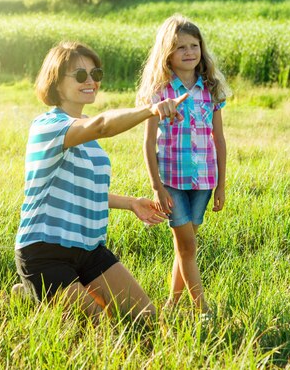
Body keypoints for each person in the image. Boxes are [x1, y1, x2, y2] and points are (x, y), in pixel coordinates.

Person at [13, 41, 188, 323]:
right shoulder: (48, 127)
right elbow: (103, 124)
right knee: (95, 327)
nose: (91, 81)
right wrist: (151, 110)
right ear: (56, 82)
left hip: (89, 249)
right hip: (45, 251)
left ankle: (32, 293)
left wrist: (130, 203)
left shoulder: (88, 136)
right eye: (80, 75)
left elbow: (86, 190)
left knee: (145, 319)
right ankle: (33, 291)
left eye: (96, 74)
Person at [136, 14, 230, 317]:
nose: (189, 52)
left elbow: (219, 140)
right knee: (188, 247)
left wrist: (221, 185)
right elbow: (148, 143)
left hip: (203, 180)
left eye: (194, 45)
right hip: (171, 181)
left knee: (185, 248)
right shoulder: (160, 92)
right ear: (167, 53)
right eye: (180, 47)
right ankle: (202, 309)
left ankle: (172, 303)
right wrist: (156, 186)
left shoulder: (210, 90)